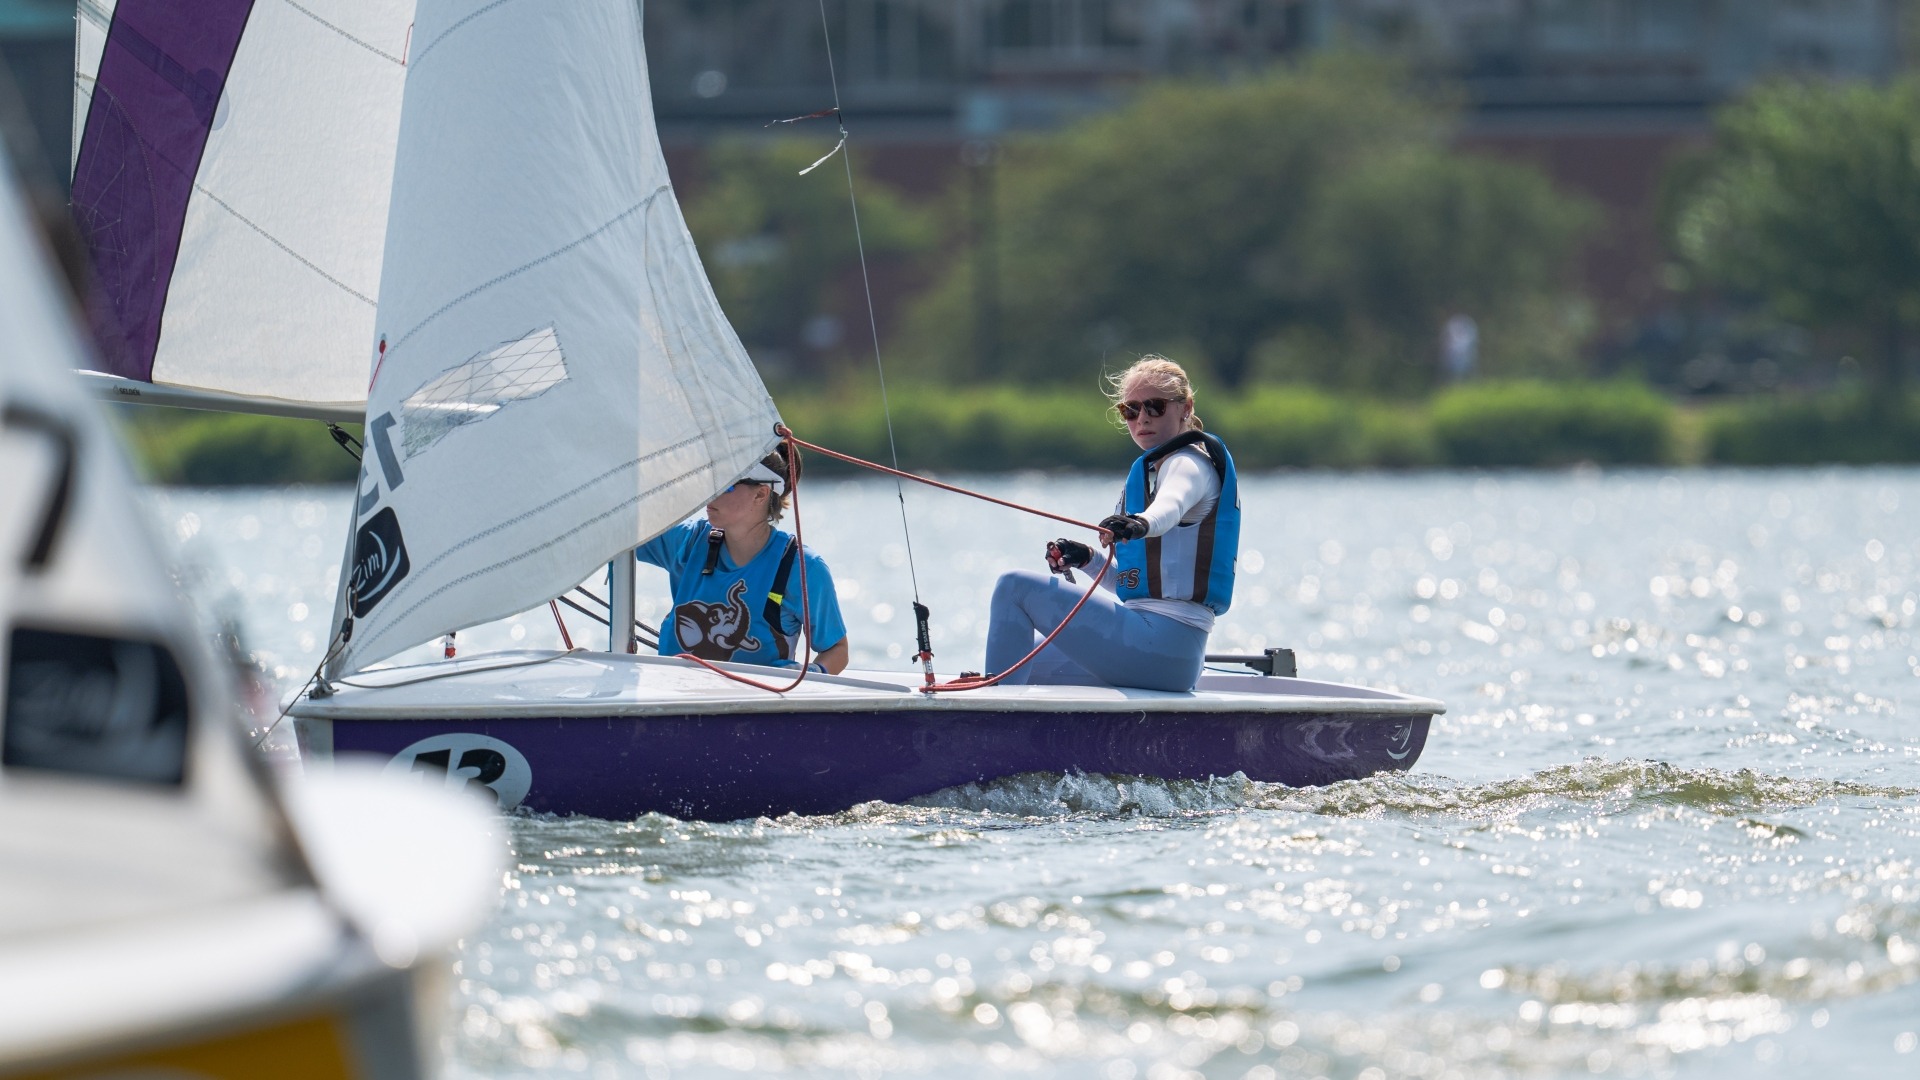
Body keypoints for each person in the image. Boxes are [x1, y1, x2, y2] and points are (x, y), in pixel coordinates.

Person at [982, 356, 1239, 691]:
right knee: (1024, 663)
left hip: (1165, 646)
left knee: (1013, 586)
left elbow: (1169, 507)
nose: (1142, 418)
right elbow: (1131, 587)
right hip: (1158, 650)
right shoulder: (1151, 471)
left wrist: (1139, 523)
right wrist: (1089, 559)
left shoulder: (1189, 465)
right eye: (1130, 410)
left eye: (1155, 407)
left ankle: (992, 728)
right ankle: (1009, 720)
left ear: (1185, 408)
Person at [636, 442, 850, 674]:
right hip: (676, 695)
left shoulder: (803, 567)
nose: (711, 491)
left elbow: (837, 650)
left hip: (756, 701)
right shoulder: (689, 541)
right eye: (711, 480)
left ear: (760, 494)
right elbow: (620, 534)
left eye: (726, 485)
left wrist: (812, 674)